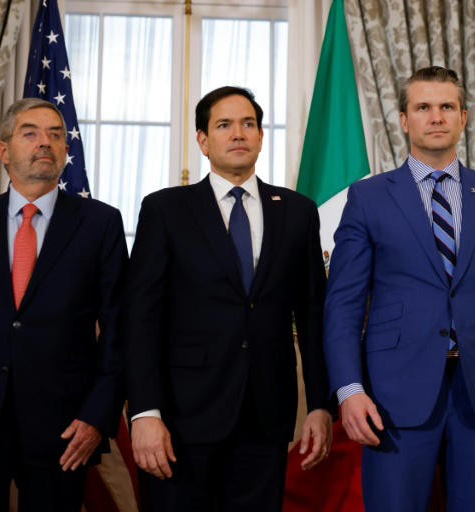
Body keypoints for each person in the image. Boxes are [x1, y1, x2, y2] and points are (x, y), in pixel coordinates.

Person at [323, 66, 475, 511]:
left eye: (447, 107)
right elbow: (343, 306)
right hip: (392, 395)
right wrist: (349, 390)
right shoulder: (368, 198)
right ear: (404, 120)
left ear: (464, 118)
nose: (436, 116)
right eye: (423, 107)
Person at [123, 86, 334, 511]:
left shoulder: (297, 211)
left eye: (248, 124)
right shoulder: (164, 210)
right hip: (182, 418)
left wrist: (320, 405)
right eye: (224, 125)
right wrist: (144, 412)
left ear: (259, 136)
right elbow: (140, 317)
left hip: (265, 416)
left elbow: (312, 315)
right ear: (202, 140)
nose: (238, 133)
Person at [0, 98, 126, 510]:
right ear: (3, 151)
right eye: (31, 132)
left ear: (66, 150)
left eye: (56, 135)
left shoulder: (101, 223)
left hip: (65, 427)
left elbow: (120, 330)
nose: (46, 142)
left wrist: (97, 416)